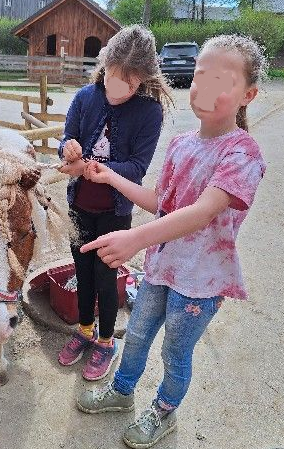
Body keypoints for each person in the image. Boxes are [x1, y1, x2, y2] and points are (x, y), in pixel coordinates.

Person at [76, 34, 268, 448]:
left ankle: (164, 410)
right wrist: (111, 177)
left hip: (200, 281)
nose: (205, 88)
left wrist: (134, 238)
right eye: (200, 76)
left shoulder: (243, 154)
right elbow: (161, 203)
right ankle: (122, 392)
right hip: (161, 268)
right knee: (137, 335)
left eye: (221, 81)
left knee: (175, 353)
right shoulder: (182, 144)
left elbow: (202, 212)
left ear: (248, 95)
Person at [57, 25, 173, 381]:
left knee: (106, 280)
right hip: (79, 207)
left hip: (114, 213)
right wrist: (68, 148)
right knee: (83, 273)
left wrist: (98, 170)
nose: (116, 88)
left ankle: (106, 341)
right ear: (104, 64)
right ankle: (85, 330)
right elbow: (66, 140)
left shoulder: (149, 112)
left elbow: (136, 168)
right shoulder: (85, 98)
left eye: (128, 82)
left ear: (142, 79)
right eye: (111, 76)